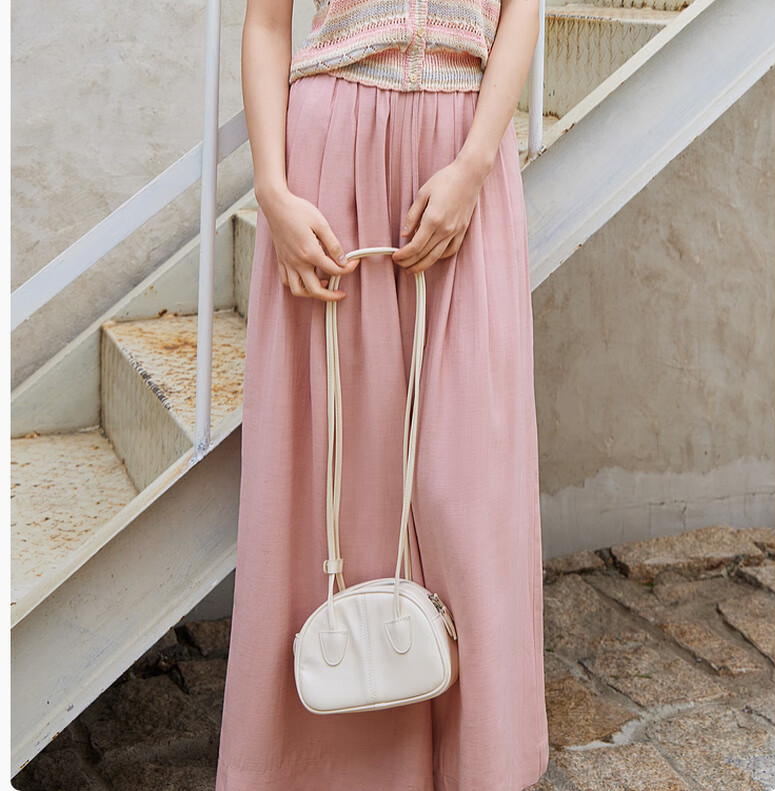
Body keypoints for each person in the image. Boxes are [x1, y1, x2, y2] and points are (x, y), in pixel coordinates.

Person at [214, 0, 549, 787]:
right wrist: (272, 190)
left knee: (468, 478)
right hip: (332, 160)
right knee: (346, 479)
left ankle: (480, 759)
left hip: (463, 160)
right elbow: (266, 23)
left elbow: (522, 9)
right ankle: (344, 766)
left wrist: (474, 164)